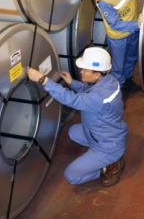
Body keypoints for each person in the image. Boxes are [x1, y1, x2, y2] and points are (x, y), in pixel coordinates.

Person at [27, 47, 127, 187]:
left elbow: (71, 99)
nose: (81, 72)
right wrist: (71, 82)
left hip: (107, 146)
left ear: (97, 74)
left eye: (85, 69)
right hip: (108, 134)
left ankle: (110, 166)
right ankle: (102, 156)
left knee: (72, 176)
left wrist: (43, 80)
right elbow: (89, 90)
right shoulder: (109, 80)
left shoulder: (99, 98)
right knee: (73, 131)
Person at [95, 0, 144, 91]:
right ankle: (118, 89)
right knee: (118, 65)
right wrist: (137, 25)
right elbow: (115, 24)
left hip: (133, 31)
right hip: (118, 37)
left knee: (132, 57)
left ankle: (128, 80)